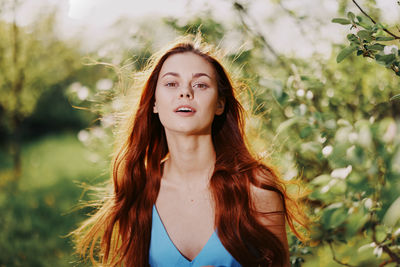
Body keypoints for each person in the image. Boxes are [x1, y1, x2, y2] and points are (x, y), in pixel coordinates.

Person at [73, 35, 307, 267]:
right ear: (154, 102)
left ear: (219, 104)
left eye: (201, 84)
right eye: (171, 83)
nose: (185, 92)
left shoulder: (256, 189)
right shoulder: (139, 190)